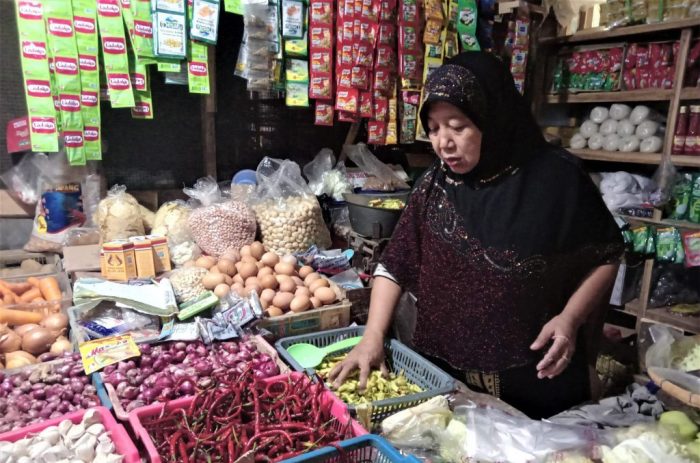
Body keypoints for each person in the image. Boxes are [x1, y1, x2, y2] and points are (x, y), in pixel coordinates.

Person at [329, 52, 624, 419]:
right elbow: (395, 265)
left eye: (457, 126)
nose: (443, 143)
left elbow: (606, 256)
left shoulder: (555, 180)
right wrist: (372, 336)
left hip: (535, 385)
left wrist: (570, 319)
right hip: (442, 382)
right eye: (434, 129)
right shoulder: (434, 185)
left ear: (493, 120)